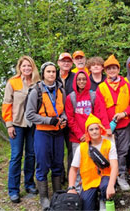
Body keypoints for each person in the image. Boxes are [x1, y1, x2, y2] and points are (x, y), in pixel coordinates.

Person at [25, 62, 67, 209]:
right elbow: (29, 114)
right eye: (48, 72)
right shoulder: (36, 91)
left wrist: (64, 118)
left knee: (57, 163)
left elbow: (63, 109)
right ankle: (44, 198)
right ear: (43, 73)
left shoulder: (60, 89)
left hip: (58, 132)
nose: (51, 74)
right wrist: (49, 120)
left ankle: (57, 194)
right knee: (42, 165)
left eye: (54, 72)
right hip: (42, 132)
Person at [94, 54, 130, 191]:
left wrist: (124, 113)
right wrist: (106, 127)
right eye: (109, 69)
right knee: (110, 152)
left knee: (123, 151)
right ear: (105, 71)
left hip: (124, 125)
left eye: (114, 68)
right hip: (108, 127)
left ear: (118, 69)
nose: (112, 71)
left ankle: (121, 176)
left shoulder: (126, 85)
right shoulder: (102, 87)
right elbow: (100, 110)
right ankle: (110, 177)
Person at [2, 56, 40, 203]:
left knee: (31, 155)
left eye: (29, 66)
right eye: (24, 66)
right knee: (16, 156)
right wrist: (9, 124)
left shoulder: (37, 83)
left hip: (33, 125)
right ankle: (13, 190)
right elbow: (7, 104)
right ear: (20, 67)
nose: (27, 68)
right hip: (17, 123)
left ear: (33, 67)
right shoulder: (13, 82)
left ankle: (29, 184)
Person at [68, 114, 118, 211]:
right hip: (89, 181)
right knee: (86, 207)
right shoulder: (82, 148)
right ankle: (95, 200)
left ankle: (104, 200)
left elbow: (115, 166)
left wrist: (111, 185)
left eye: (96, 128)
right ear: (87, 132)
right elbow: (73, 169)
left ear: (101, 129)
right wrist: (71, 187)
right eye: (91, 129)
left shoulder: (109, 145)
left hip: (106, 177)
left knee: (105, 186)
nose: (94, 131)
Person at [64, 70, 94, 192]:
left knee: (90, 163)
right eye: (79, 79)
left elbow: (98, 115)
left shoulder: (93, 96)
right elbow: (70, 119)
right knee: (76, 163)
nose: (81, 81)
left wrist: (90, 134)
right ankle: (75, 188)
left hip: (91, 136)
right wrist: (80, 134)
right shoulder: (70, 97)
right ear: (75, 81)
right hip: (76, 137)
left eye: (84, 79)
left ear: (87, 80)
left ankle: (89, 187)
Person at [57, 52, 75, 186]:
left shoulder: (75, 77)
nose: (66, 63)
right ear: (59, 63)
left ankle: (71, 176)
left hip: (71, 118)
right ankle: (59, 176)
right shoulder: (51, 75)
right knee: (57, 150)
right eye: (63, 61)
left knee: (71, 149)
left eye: (69, 61)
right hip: (56, 119)